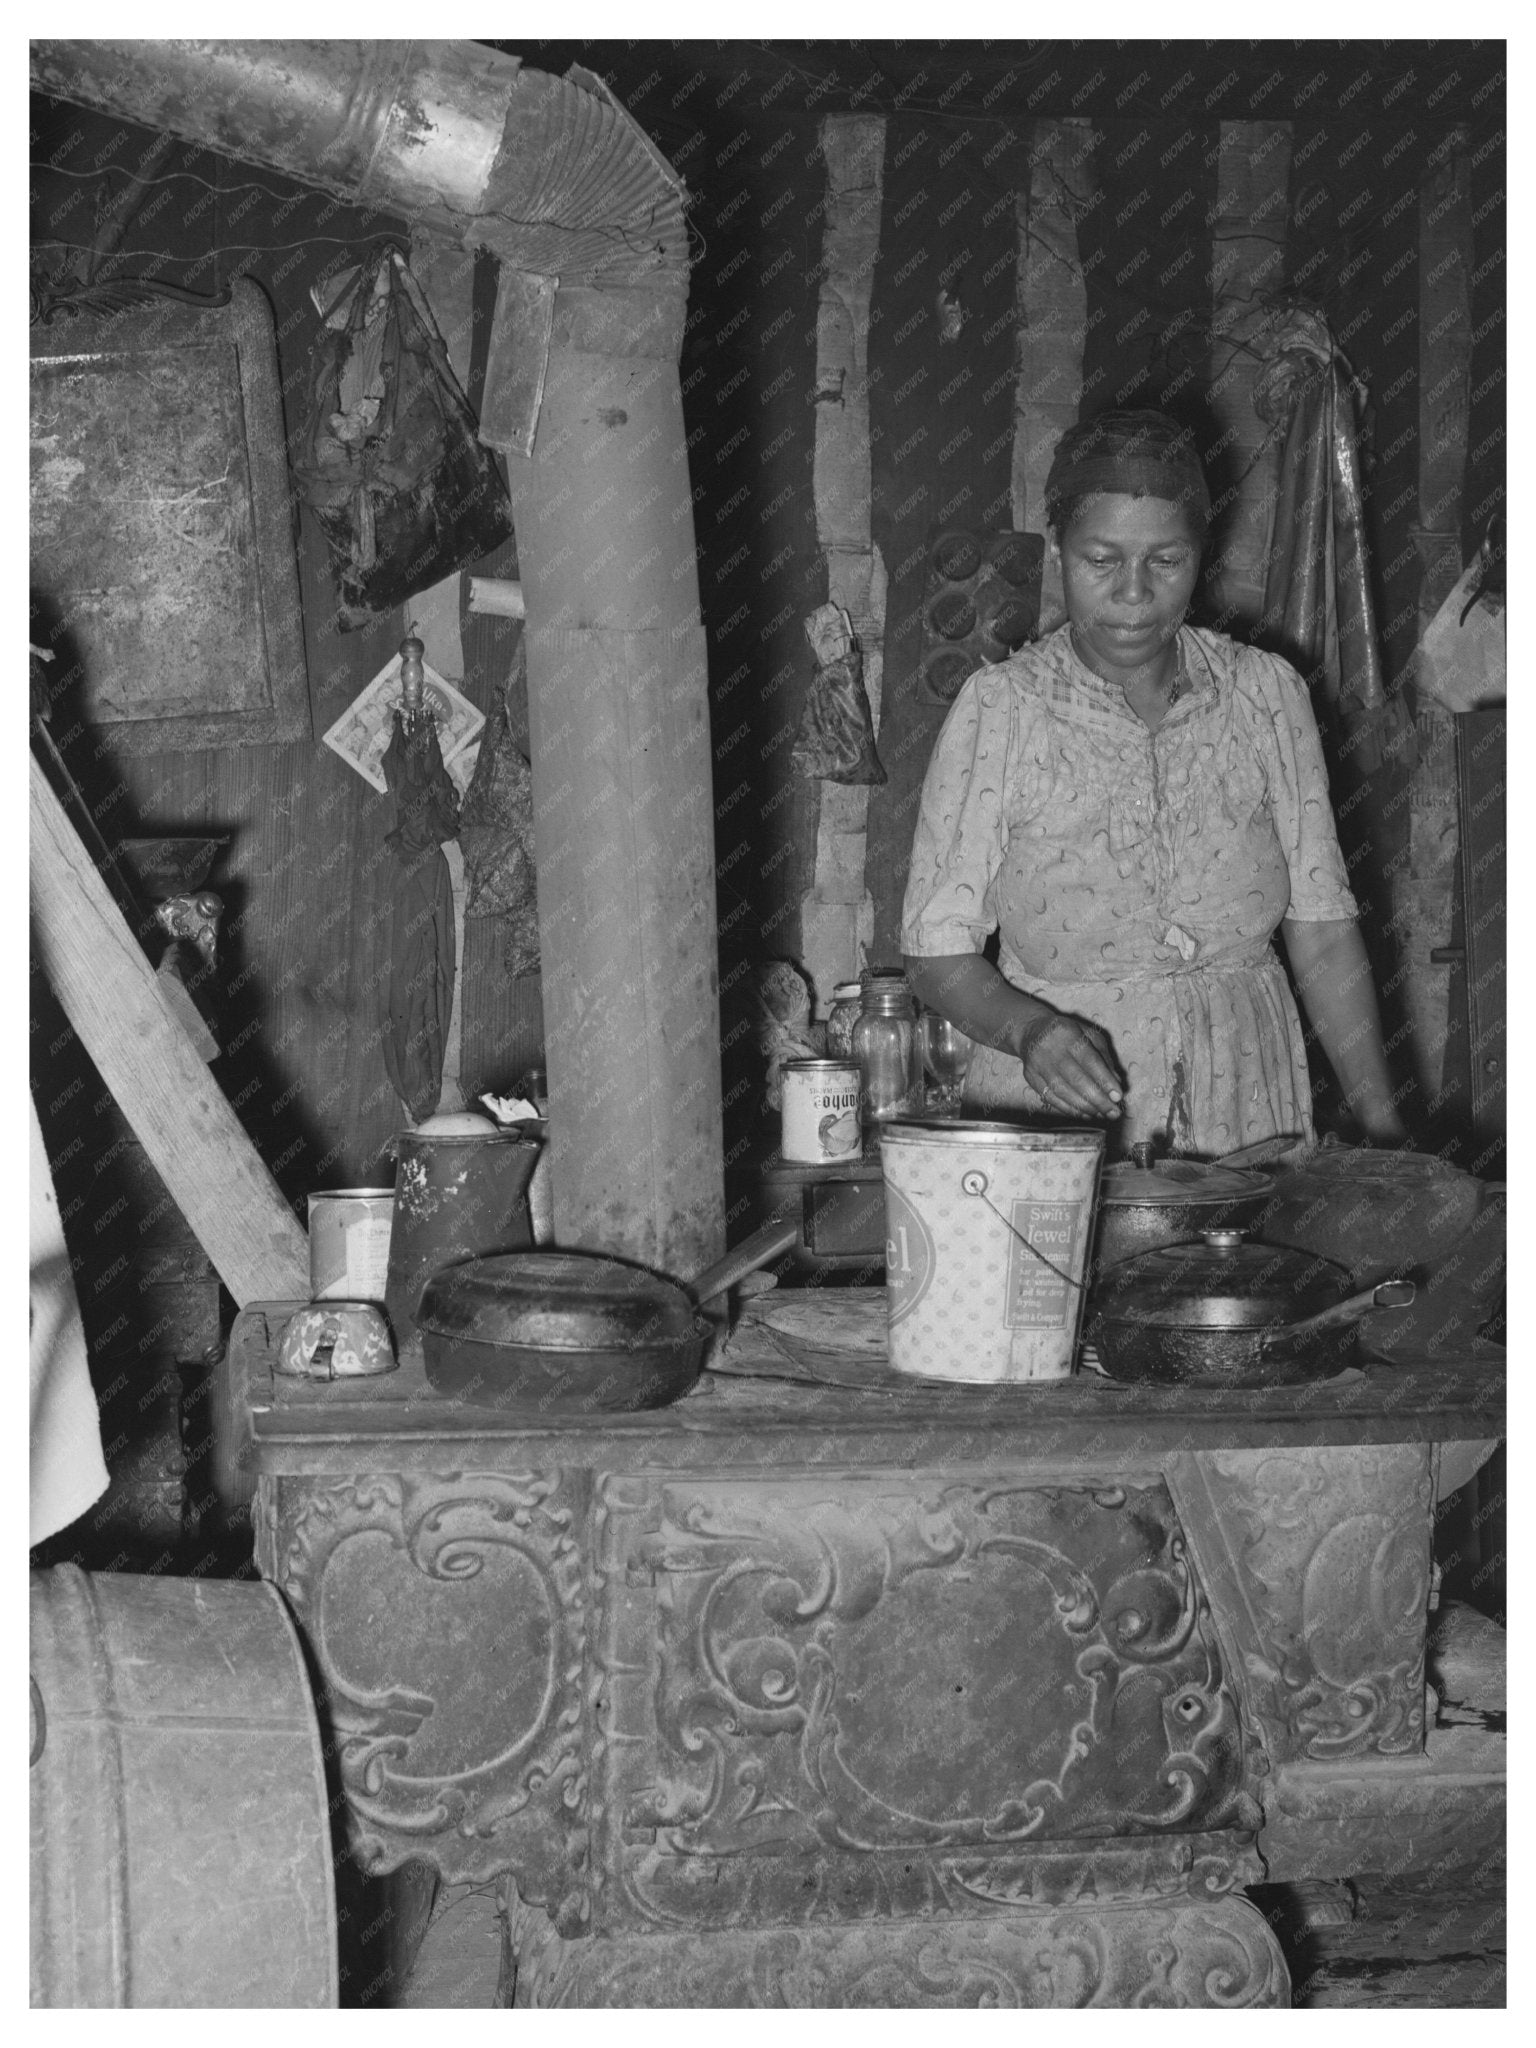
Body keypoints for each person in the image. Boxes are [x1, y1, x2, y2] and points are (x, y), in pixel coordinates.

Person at [901, 408, 1407, 1158]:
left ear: (1201, 556)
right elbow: (935, 951)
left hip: (1250, 1110)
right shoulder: (1003, 708)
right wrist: (1030, 1030)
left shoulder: (1265, 694)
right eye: (1100, 561)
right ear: (1060, 555)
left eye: (1165, 562)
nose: (1133, 594)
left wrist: (1382, 1134)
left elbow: (1325, 933)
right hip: (1058, 1123)